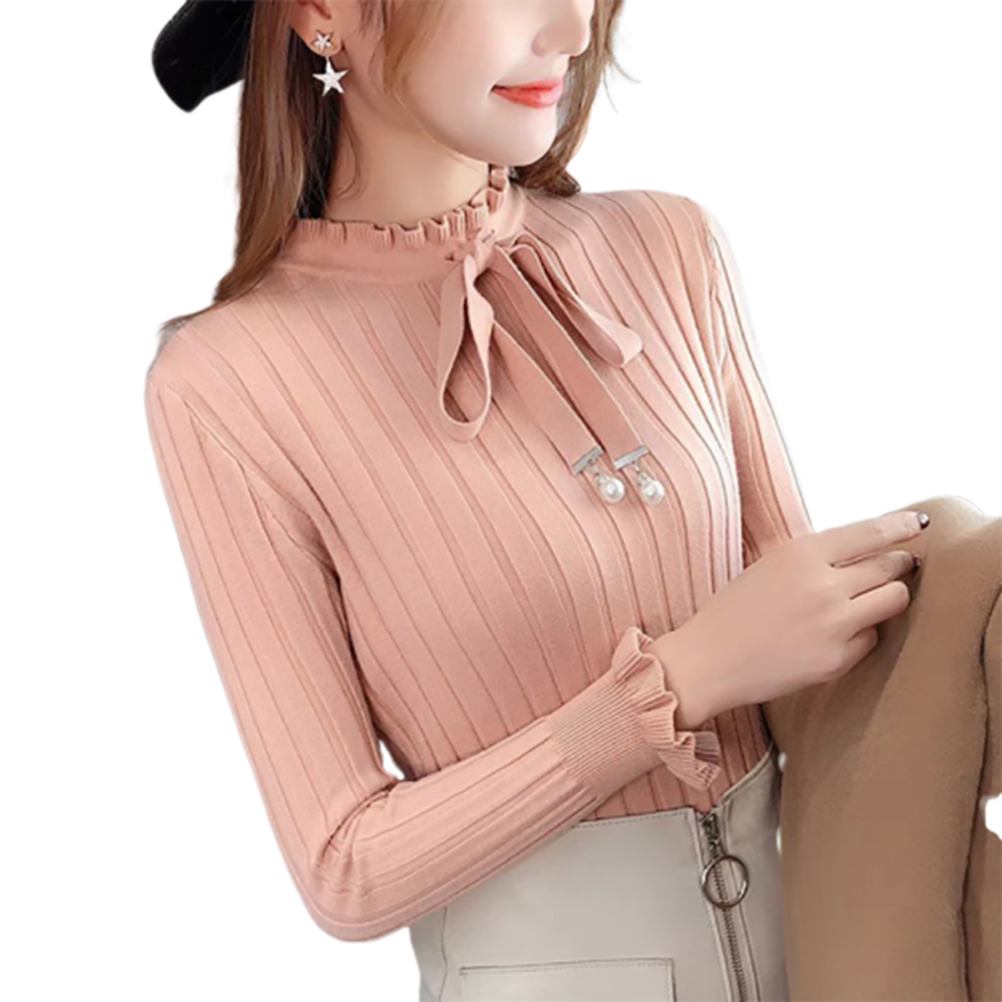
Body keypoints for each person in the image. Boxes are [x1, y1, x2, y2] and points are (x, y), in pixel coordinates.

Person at [144, 3, 928, 999]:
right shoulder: (227, 385)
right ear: (325, 12)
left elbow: (820, 663)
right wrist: (678, 682)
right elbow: (345, 869)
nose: (571, 31)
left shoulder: (669, 249)